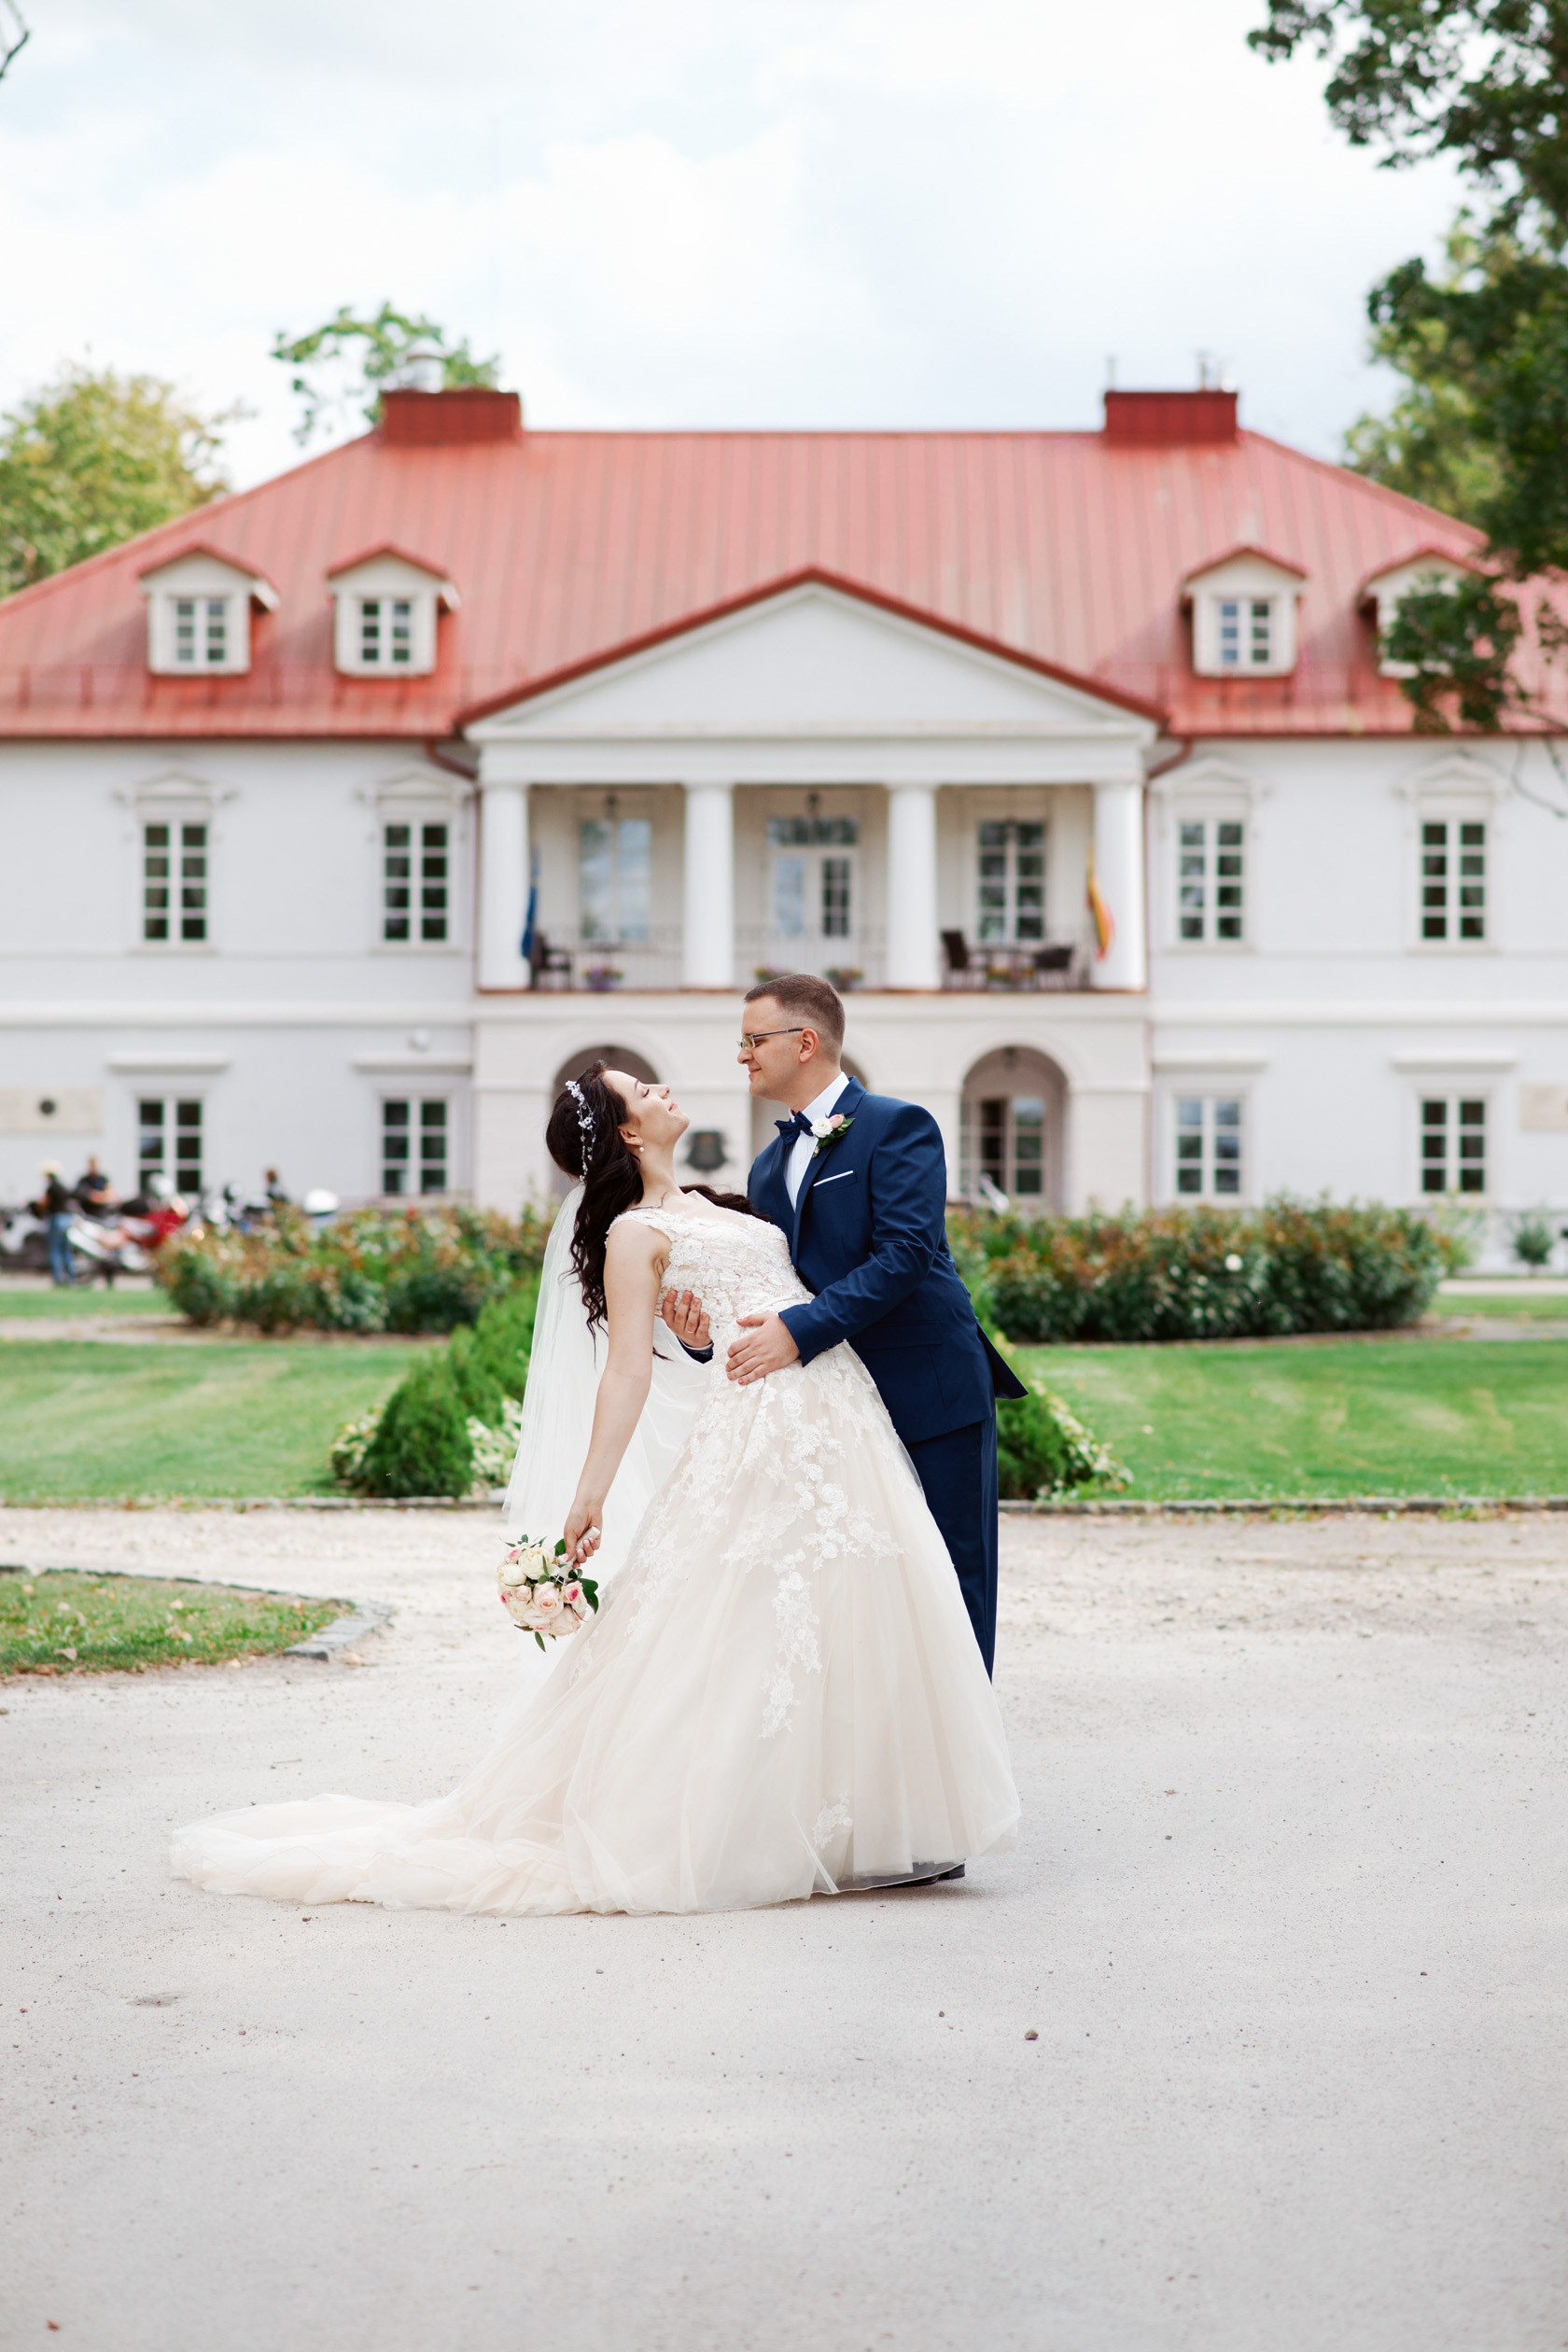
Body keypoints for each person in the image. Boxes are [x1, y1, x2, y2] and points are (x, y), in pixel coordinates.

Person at [172, 1062, 1017, 1917]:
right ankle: (753, 1817)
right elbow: (623, 1373)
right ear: (624, 1131)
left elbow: (790, 1291)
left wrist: (704, 1338)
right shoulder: (632, 1234)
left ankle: (864, 1816)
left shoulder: (731, 1200)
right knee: (755, 1624)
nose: (662, 1090)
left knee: (849, 1613)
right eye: (641, 1090)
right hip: (759, 1432)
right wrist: (591, 1492)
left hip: (839, 1421)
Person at [662, 975, 1025, 1678]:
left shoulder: (899, 1125)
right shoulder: (769, 1166)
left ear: (805, 1042)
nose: (742, 1055)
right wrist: (703, 1338)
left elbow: (907, 1253)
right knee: (866, 1588)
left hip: (930, 1389)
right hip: (836, 1407)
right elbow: (771, 1280)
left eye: (752, 1040)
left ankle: (964, 1772)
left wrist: (799, 1330)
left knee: (953, 1579)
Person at [35, 1163, 76, 1286]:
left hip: (56, 1218)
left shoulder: (51, 1187)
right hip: (67, 1218)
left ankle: (57, 1279)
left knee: (54, 1250)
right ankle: (71, 1279)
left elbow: (44, 1204)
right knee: (66, 1249)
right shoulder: (63, 1186)